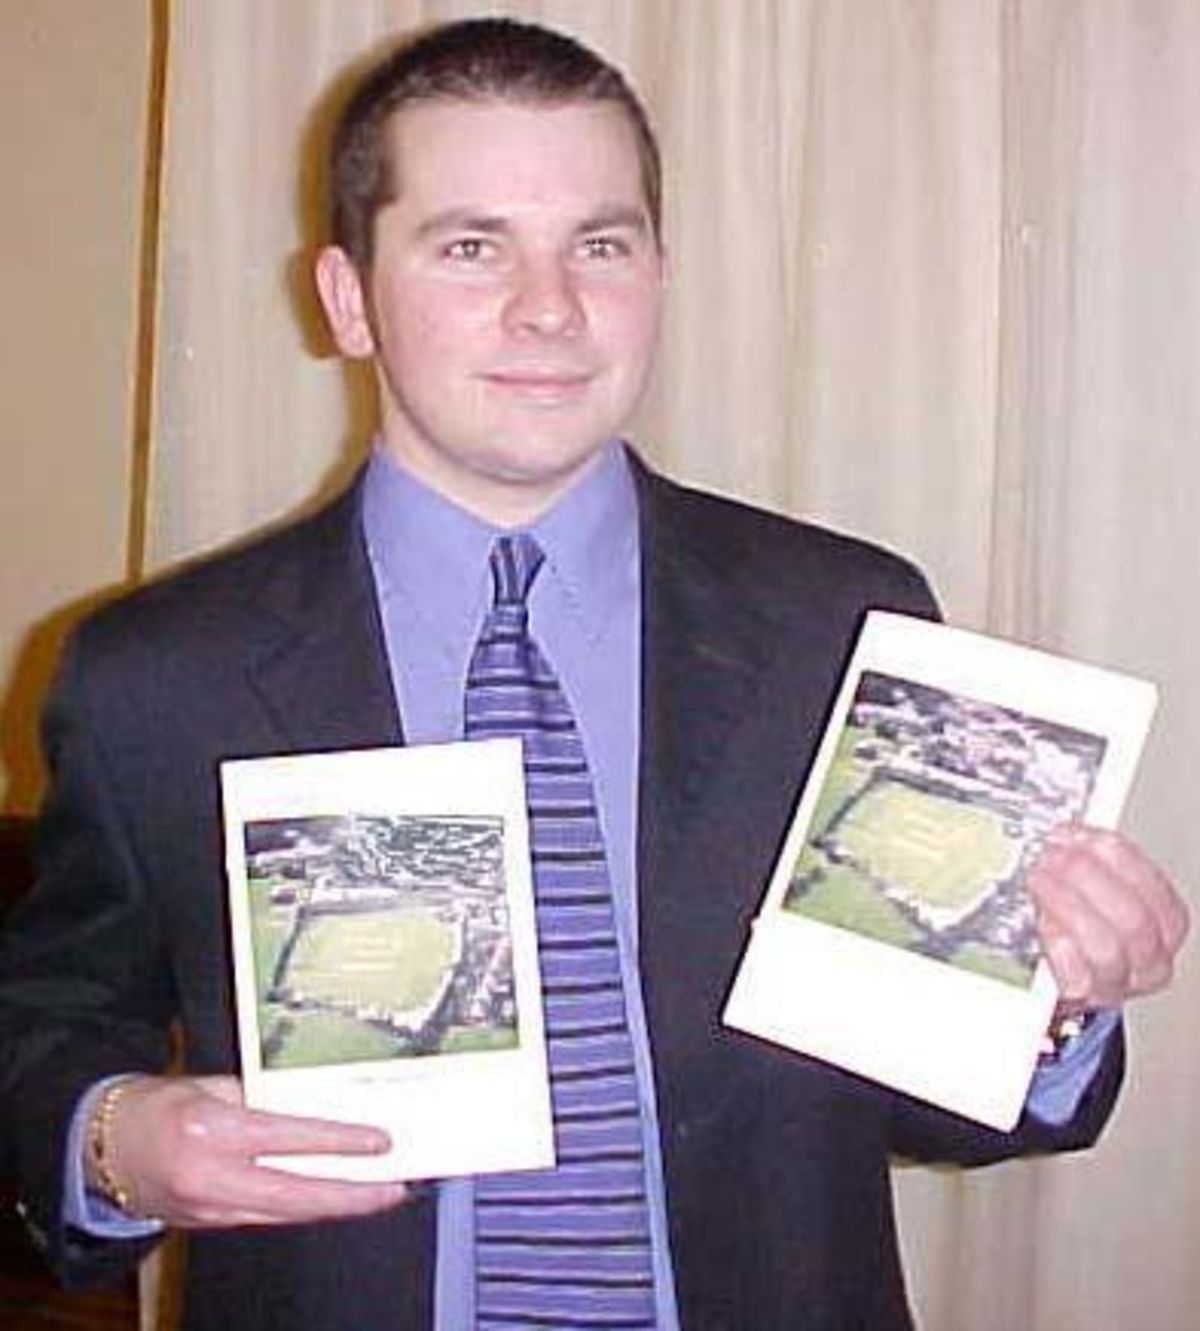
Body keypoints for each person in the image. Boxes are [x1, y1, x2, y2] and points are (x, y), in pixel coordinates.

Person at [0, 17, 1186, 1331]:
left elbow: (932, 1100)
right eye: (472, 246)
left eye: (601, 245)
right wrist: (110, 1140)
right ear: (347, 298)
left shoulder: (844, 623)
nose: (551, 307)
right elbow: (48, 1017)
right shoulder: (159, 674)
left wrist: (1050, 1003)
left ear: (659, 274)